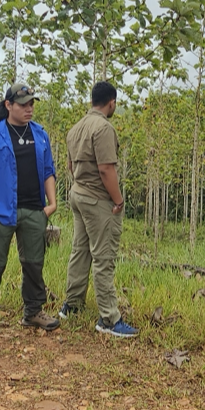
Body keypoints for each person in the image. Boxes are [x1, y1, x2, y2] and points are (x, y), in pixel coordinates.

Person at [0, 82, 59, 339]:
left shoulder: (40, 135)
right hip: (1, 212)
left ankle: (33, 311)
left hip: (34, 210)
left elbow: (49, 171)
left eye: (31, 104)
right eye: (23, 104)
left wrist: (51, 205)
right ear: (8, 105)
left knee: (33, 264)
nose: (29, 109)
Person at [62, 79, 136, 337]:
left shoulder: (76, 128)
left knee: (80, 250)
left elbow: (70, 167)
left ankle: (71, 304)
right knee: (103, 256)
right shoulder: (103, 128)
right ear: (111, 102)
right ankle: (108, 318)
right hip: (97, 201)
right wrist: (118, 200)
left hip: (78, 195)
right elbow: (106, 168)